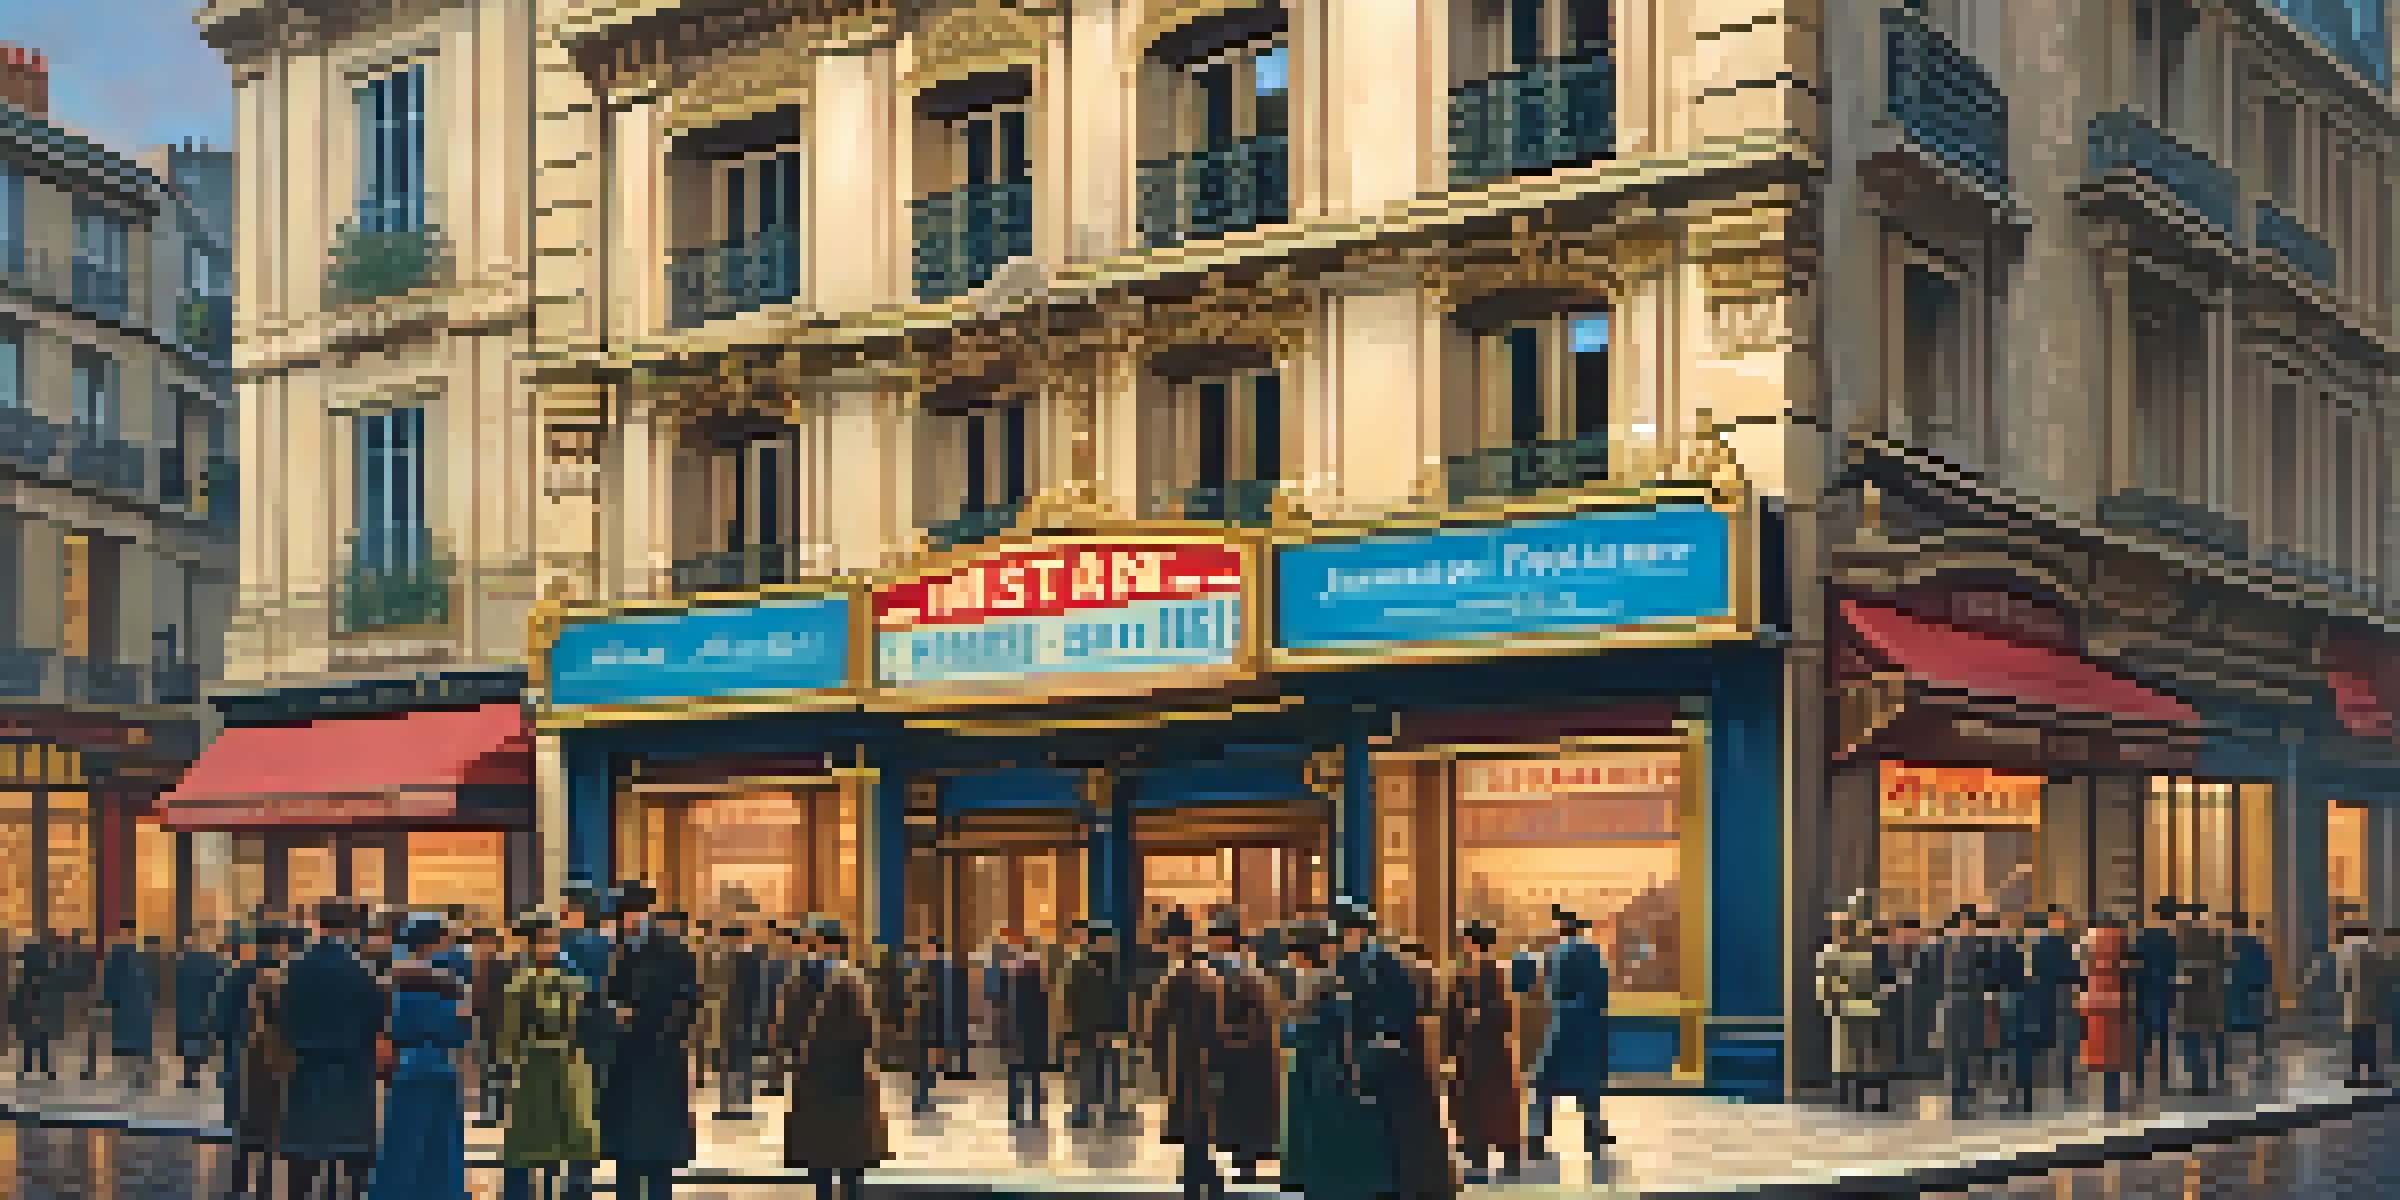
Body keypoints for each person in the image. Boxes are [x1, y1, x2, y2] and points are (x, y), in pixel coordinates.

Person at [280, 901, 387, 1200]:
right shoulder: (362, 970)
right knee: (352, 1153)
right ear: (349, 929)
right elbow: (376, 1021)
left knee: (304, 1153)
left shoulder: (297, 968)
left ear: (318, 926)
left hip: (306, 1068)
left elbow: (284, 1018)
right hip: (351, 1071)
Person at [597, 890, 699, 1200]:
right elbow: (610, 995)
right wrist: (614, 1013)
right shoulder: (620, 951)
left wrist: (650, 1023)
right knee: (627, 1155)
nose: (625, 922)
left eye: (630, 915)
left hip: (660, 1059)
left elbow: (690, 1001)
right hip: (627, 1061)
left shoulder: (674, 950)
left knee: (658, 1156)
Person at [778, 918, 890, 1200]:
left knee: (823, 1158)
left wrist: (794, 1055)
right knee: (844, 1157)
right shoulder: (852, 979)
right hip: (844, 1076)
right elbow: (868, 1031)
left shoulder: (801, 978)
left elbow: (785, 1028)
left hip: (819, 1075)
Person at [498, 908, 603, 1200]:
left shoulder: (571, 979)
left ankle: (576, 1190)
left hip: (568, 1065)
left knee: (575, 1136)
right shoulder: (518, 981)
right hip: (533, 1069)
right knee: (528, 1140)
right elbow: (508, 1033)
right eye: (543, 940)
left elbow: (587, 1019)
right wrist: (509, 1065)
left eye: (552, 940)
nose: (549, 946)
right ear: (530, 944)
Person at [368, 916, 472, 1200]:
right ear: (434, 942)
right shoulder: (451, 981)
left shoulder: (392, 980)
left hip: (409, 1067)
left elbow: (387, 1028)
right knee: (442, 1146)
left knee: (401, 1145)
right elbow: (461, 1033)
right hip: (442, 1066)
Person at [1528, 905, 1611, 1157]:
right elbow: (1601, 993)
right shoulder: (1594, 953)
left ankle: (1538, 1133)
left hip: (1560, 1023)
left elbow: (1549, 989)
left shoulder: (1554, 954)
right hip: (1588, 1026)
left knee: (1545, 1080)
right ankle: (1593, 1133)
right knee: (1589, 1082)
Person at [1442, 920, 1522, 1182]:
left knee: (1480, 1104)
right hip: (1487, 1050)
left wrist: (1456, 1040)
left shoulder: (1477, 974)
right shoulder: (1494, 973)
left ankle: (1484, 1154)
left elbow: (1456, 1015)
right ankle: (1494, 1153)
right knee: (1491, 1105)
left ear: (1474, 943)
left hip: (1480, 1049)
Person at [1204, 911, 1280, 1182]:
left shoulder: (1243, 973)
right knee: (1235, 1113)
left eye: (1216, 936)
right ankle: (1240, 1162)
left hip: (1245, 1054)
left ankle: (1245, 1166)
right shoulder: (1234, 970)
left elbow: (1256, 1016)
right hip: (1237, 1052)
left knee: (1243, 1114)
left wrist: (1228, 1036)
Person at [555, 883, 617, 1200]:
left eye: (566, 908)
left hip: (568, 1035)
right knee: (588, 1108)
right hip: (599, 1035)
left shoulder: (562, 946)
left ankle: (572, 1174)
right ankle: (581, 1175)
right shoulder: (609, 946)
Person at [1060, 919, 1128, 1128]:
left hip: (1108, 1030)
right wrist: (1071, 1034)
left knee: (1109, 1071)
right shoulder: (1081, 966)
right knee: (1087, 1072)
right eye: (1103, 940)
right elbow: (1071, 1002)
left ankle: (1111, 1111)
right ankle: (1084, 1111)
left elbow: (1121, 999)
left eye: (1110, 940)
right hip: (1087, 1030)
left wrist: (1122, 1030)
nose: (1107, 944)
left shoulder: (1116, 968)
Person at [2172, 904, 2228, 1096]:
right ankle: (2218, 1075)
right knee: (2212, 1037)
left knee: (2194, 1040)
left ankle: (2198, 1079)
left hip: (2191, 997)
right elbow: (2222, 967)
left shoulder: (2181, 942)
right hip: (2211, 996)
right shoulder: (2215, 938)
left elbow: (2178, 971)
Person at [2027, 908, 2081, 1104]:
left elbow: (2034, 970)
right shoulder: (2064, 943)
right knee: (2063, 1040)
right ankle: (2064, 1083)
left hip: (2046, 995)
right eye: (2061, 919)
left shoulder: (2040, 942)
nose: (2064, 922)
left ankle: (2048, 1080)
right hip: (2060, 995)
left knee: (2050, 1039)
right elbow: (2072, 970)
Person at [99, 919, 158, 1090]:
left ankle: (140, 1075)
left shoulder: (135, 952)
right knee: (132, 1041)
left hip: (134, 1004)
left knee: (136, 1040)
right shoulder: (133, 952)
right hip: (129, 1004)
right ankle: (135, 1074)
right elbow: (109, 979)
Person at [2132, 898, 2180, 1092]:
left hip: (2145, 992)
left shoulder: (2143, 936)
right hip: (2163, 992)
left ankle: (2141, 1076)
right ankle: (2164, 1076)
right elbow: (2173, 968)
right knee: (2163, 1036)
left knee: (2144, 1036)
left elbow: (2136, 966)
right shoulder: (2170, 939)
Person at [174, 926, 226, 1090]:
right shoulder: (213, 961)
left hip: (188, 1008)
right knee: (202, 1041)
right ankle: (200, 1074)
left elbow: (177, 986)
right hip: (204, 1008)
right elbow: (218, 985)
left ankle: (189, 1076)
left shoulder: (183, 961)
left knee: (190, 1042)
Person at [2225, 912, 2273, 1081]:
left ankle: (2234, 1069)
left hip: (2235, 997)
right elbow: (2267, 974)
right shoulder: (2258, 944)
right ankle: (2262, 1069)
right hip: (2255, 997)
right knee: (2257, 1034)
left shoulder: (2228, 945)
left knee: (2234, 1035)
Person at [2336, 924, 2384, 1086]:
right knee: (2363, 1041)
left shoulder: (2359, 955)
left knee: (2363, 1040)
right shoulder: (2364, 954)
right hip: (2362, 1006)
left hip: (2362, 1006)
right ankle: (2363, 1074)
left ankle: (2363, 1075)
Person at [9, 930, 58, 1080]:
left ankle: (33, 1067)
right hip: (35, 1004)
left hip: (35, 1004)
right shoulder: (40, 977)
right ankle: (37, 1067)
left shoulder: (31, 978)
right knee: (36, 1035)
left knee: (35, 1035)